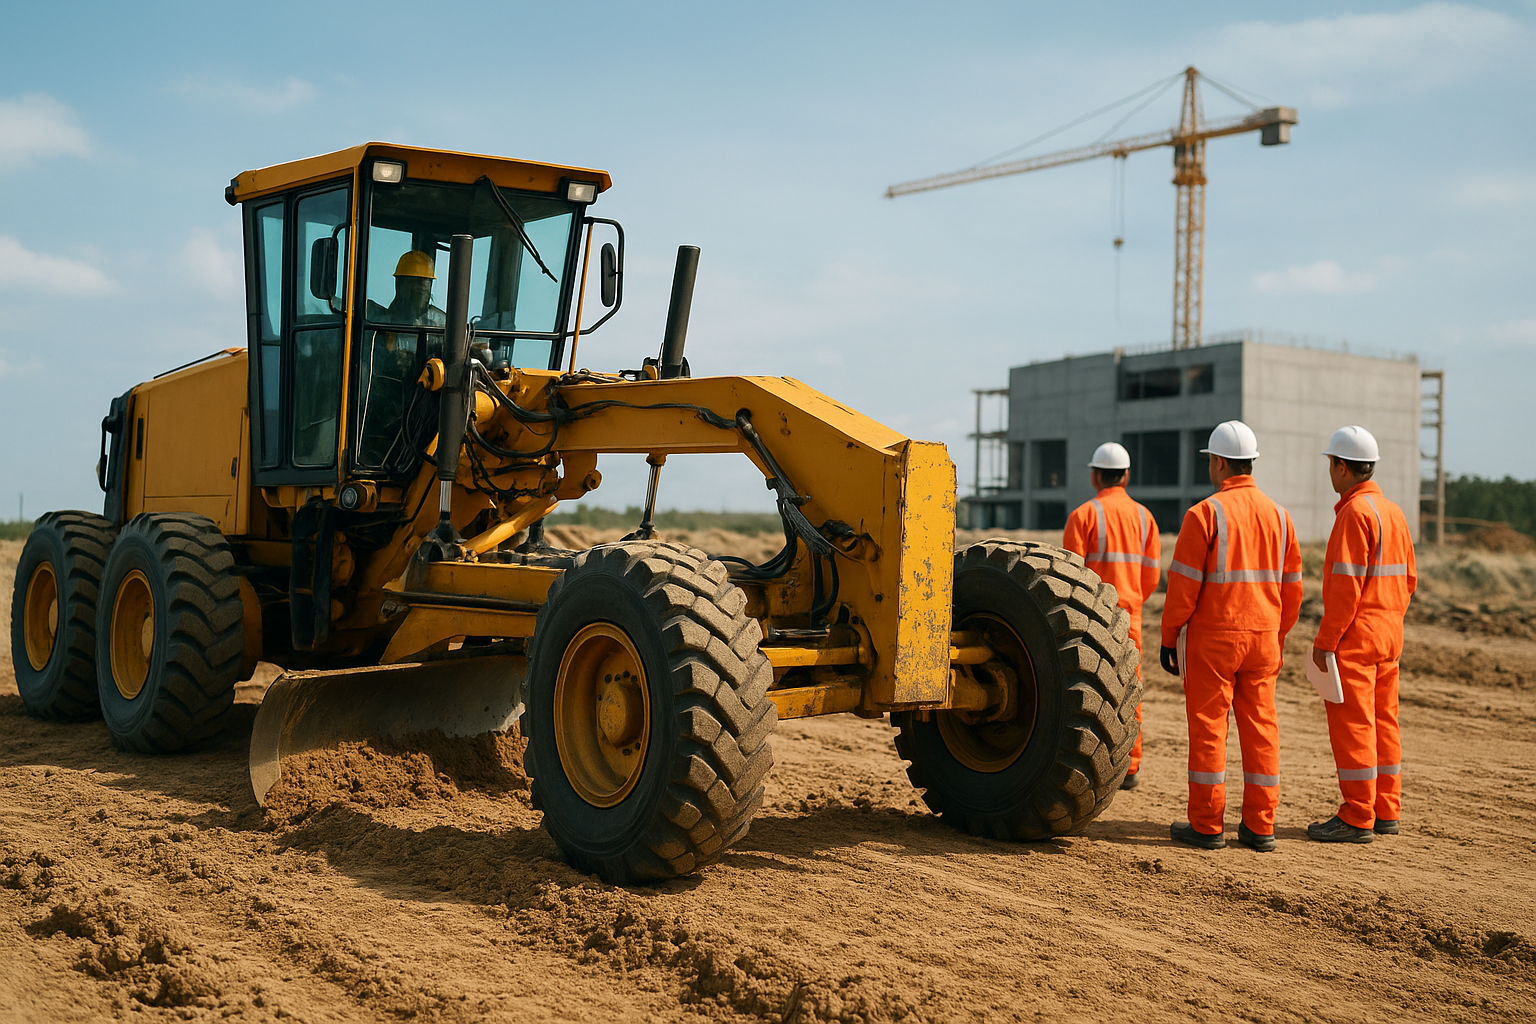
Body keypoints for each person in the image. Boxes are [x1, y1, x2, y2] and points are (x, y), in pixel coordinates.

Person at [1159, 421, 1302, 852]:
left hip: (1214, 639)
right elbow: (1293, 588)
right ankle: (1261, 826)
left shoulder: (1204, 514)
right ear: (1251, 462)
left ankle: (1206, 824)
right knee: (1261, 729)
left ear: (1218, 462)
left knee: (1208, 728)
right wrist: (1278, 633)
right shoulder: (1280, 516)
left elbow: (1183, 588)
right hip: (1263, 638)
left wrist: (1169, 637)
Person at [1307, 426, 1417, 844]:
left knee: (1355, 727)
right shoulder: (1393, 512)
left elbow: (1343, 590)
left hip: (1357, 639)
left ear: (1341, 467)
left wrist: (1325, 644)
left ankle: (1357, 815)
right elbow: (1409, 579)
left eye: (1331, 464)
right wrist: (1388, 619)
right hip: (1390, 636)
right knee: (1384, 724)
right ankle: (1385, 809)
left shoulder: (1354, 514)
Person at [1062, 441, 1160, 791]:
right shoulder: (1145, 517)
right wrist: (1131, 601)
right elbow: (1150, 575)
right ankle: (1130, 766)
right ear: (1126, 475)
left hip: (1093, 618)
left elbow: (1071, 575)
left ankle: (1095, 765)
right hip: (1130, 614)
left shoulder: (1083, 515)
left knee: (1089, 691)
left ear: (1095, 475)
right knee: (1129, 689)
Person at [366, 249, 448, 327]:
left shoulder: (439, 324)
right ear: (399, 285)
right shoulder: (375, 320)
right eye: (414, 286)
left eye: (423, 291)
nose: (420, 297)